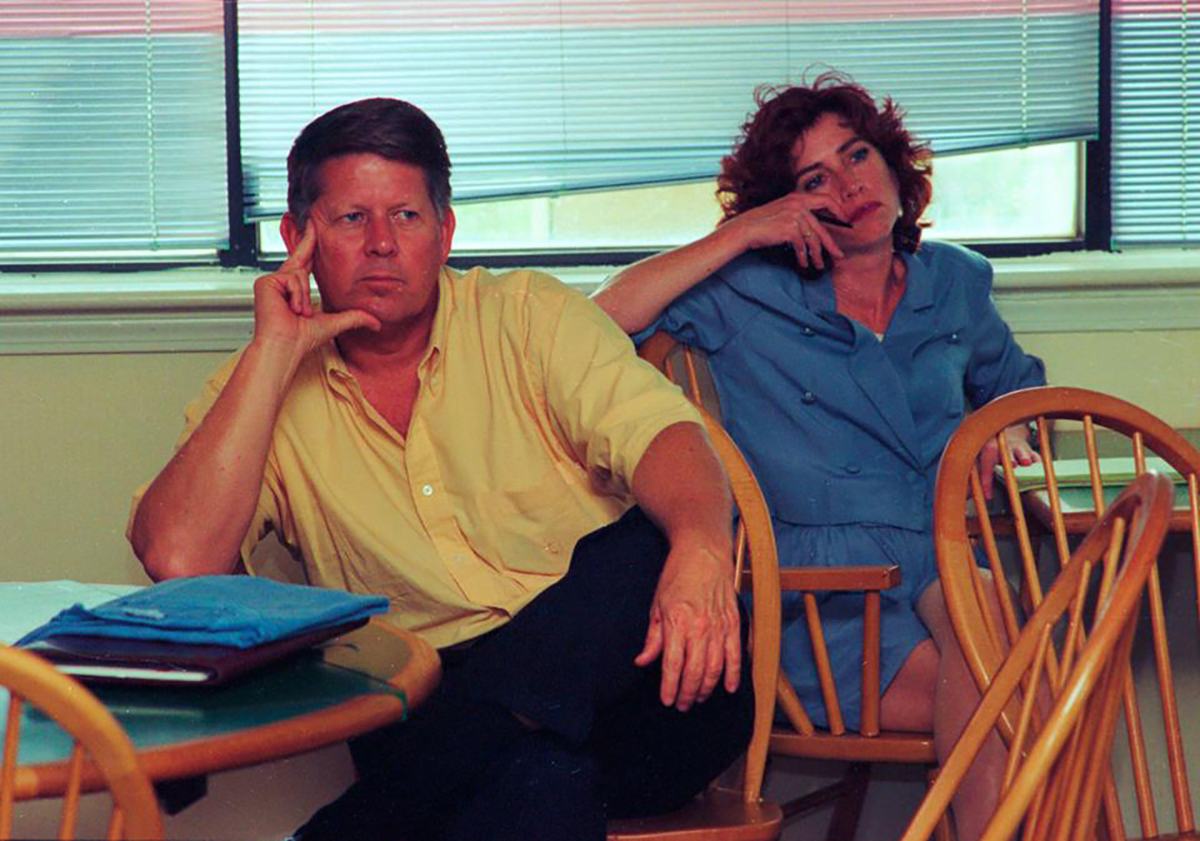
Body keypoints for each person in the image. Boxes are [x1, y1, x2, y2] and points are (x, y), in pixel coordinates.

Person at [127, 97, 753, 841]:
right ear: (298, 238)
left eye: (407, 216)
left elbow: (667, 437)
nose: (383, 243)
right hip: (432, 693)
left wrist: (703, 548)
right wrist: (271, 352)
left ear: (446, 230)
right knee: (539, 784)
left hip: (642, 681)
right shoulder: (258, 388)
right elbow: (178, 555)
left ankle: (360, 824)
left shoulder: (528, 314)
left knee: (646, 544)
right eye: (351, 219)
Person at [592, 72, 1045, 841]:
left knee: (1002, 632)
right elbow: (597, 325)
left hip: (941, 561)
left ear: (896, 166)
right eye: (814, 178)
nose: (849, 184)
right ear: (788, 203)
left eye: (859, 155)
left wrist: (1010, 432)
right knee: (1039, 697)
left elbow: (1017, 387)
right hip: (825, 599)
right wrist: (738, 234)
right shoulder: (745, 292)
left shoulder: (956, 282)